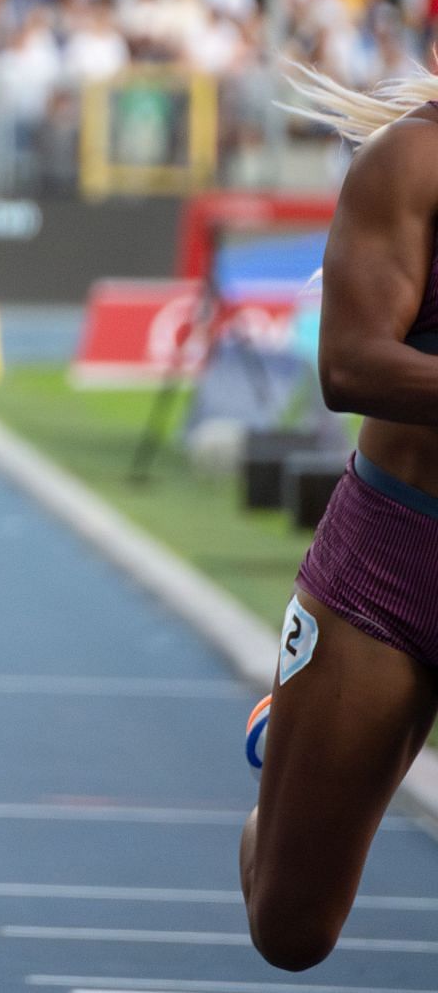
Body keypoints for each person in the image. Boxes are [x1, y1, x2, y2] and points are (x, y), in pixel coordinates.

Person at [241, 65, 438, 970]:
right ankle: (289, 746)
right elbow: (351, 365)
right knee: (290, 928)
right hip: (395, 557)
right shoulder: (410, 160)